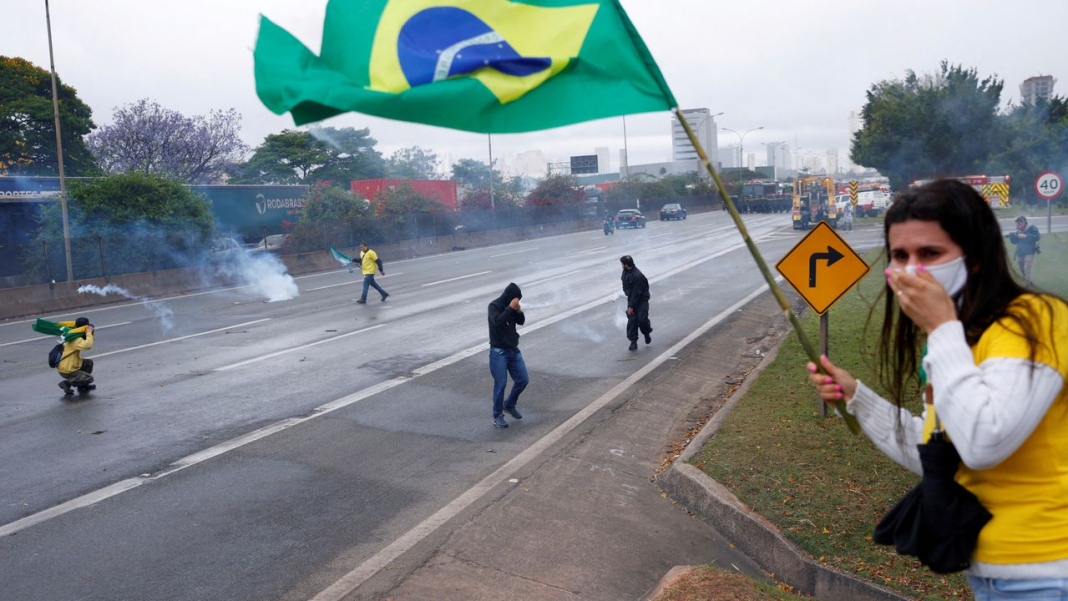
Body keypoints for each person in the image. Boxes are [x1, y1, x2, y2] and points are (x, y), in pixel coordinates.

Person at [805, 180, 1068, 599]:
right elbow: (944, 454)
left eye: (930, 254)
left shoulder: (1034, 322)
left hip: (1048, 574)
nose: (912, 269)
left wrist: (942, 328)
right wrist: (859, 399)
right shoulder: (957, 342)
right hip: (994, 577)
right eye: (899, 256)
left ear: (976, 257)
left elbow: (985, 441)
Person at [487, 283, 529, 428]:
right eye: (517, 299)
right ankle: (497, 415)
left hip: (513, 350)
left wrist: (518, 310)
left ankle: (509, 404)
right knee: (501, 384)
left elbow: (521, 322)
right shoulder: (494, 306)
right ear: (509, 297)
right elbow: (498, 322)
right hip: (499, 353)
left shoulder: (512, 307)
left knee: (523, 380)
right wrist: (510, 307)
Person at [620, 255, 652, 351]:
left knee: (642, 320)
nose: (621, 265)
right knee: (632, 321)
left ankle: (646, 333)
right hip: (632, 298)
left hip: (641, 299)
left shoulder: (638, 276)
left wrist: (631, 306)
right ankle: (633, 342)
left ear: (626, 264)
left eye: (622, 264)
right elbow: (626, 286)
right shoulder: (625, 272)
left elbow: (636, 293)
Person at [57, 317, 95, 395]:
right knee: (89, 378)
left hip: (70, 364)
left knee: (88, 363)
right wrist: (89, 332)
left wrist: (91, 333)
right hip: (67, 370)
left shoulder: (75, 333)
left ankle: (82, 386)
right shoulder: (74, 338)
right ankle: (66, 383)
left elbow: (88, 339)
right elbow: (88, 345)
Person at [1007, 215, 1040, 287]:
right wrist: (1012, 237)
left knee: (1027, 267)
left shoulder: (1032, 227)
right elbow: (1015, 242)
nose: (1018, 225)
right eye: (1017, 223)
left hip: (1030, 250)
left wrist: (1026, 236)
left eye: (1019, 223)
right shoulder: (1018, 229)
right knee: (1021, 266)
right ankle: (1028, 280)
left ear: (1024, 222)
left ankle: (1027, 284)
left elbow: (1037, 237)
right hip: (1021, 250)